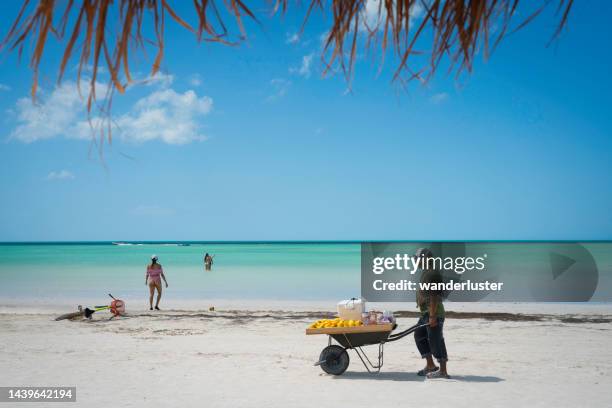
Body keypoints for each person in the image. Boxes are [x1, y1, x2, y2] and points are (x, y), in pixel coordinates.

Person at [413, 248, 450, 379]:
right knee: (419, 336)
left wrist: (433, 316)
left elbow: (434, 295)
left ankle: (443, 371)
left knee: (436, 341)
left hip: (434, 313)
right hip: (426, 313)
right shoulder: (427, 272)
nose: (415, 261)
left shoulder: (432, 273)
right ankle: (430, 365)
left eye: (417, 258)